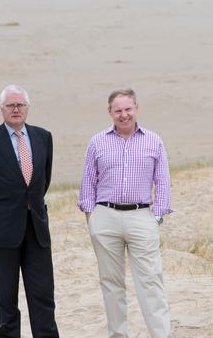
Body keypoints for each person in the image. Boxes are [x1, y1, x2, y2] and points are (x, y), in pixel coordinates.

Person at [78, 88, 172, 338]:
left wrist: (158, 217)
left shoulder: (154, 140)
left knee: (150, 280)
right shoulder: (97, 142)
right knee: (111, 283)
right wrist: (92, 218)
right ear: (110, 112)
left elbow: (162, 181)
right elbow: (88, 181)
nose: (124, 115)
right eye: (118, 110)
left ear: (136, 109)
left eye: (128, 109)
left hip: (141, 217)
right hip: (105, 217)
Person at [0, 84, 59, 338]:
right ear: (2, 110)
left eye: (20, 105)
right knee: (6, 300)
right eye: (11, 105)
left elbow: (43, 181)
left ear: (27, 108)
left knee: (43, 296)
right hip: (2, 231)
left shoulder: (44, 137)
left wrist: (31, 206)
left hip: (36, 229)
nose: (16, 109)